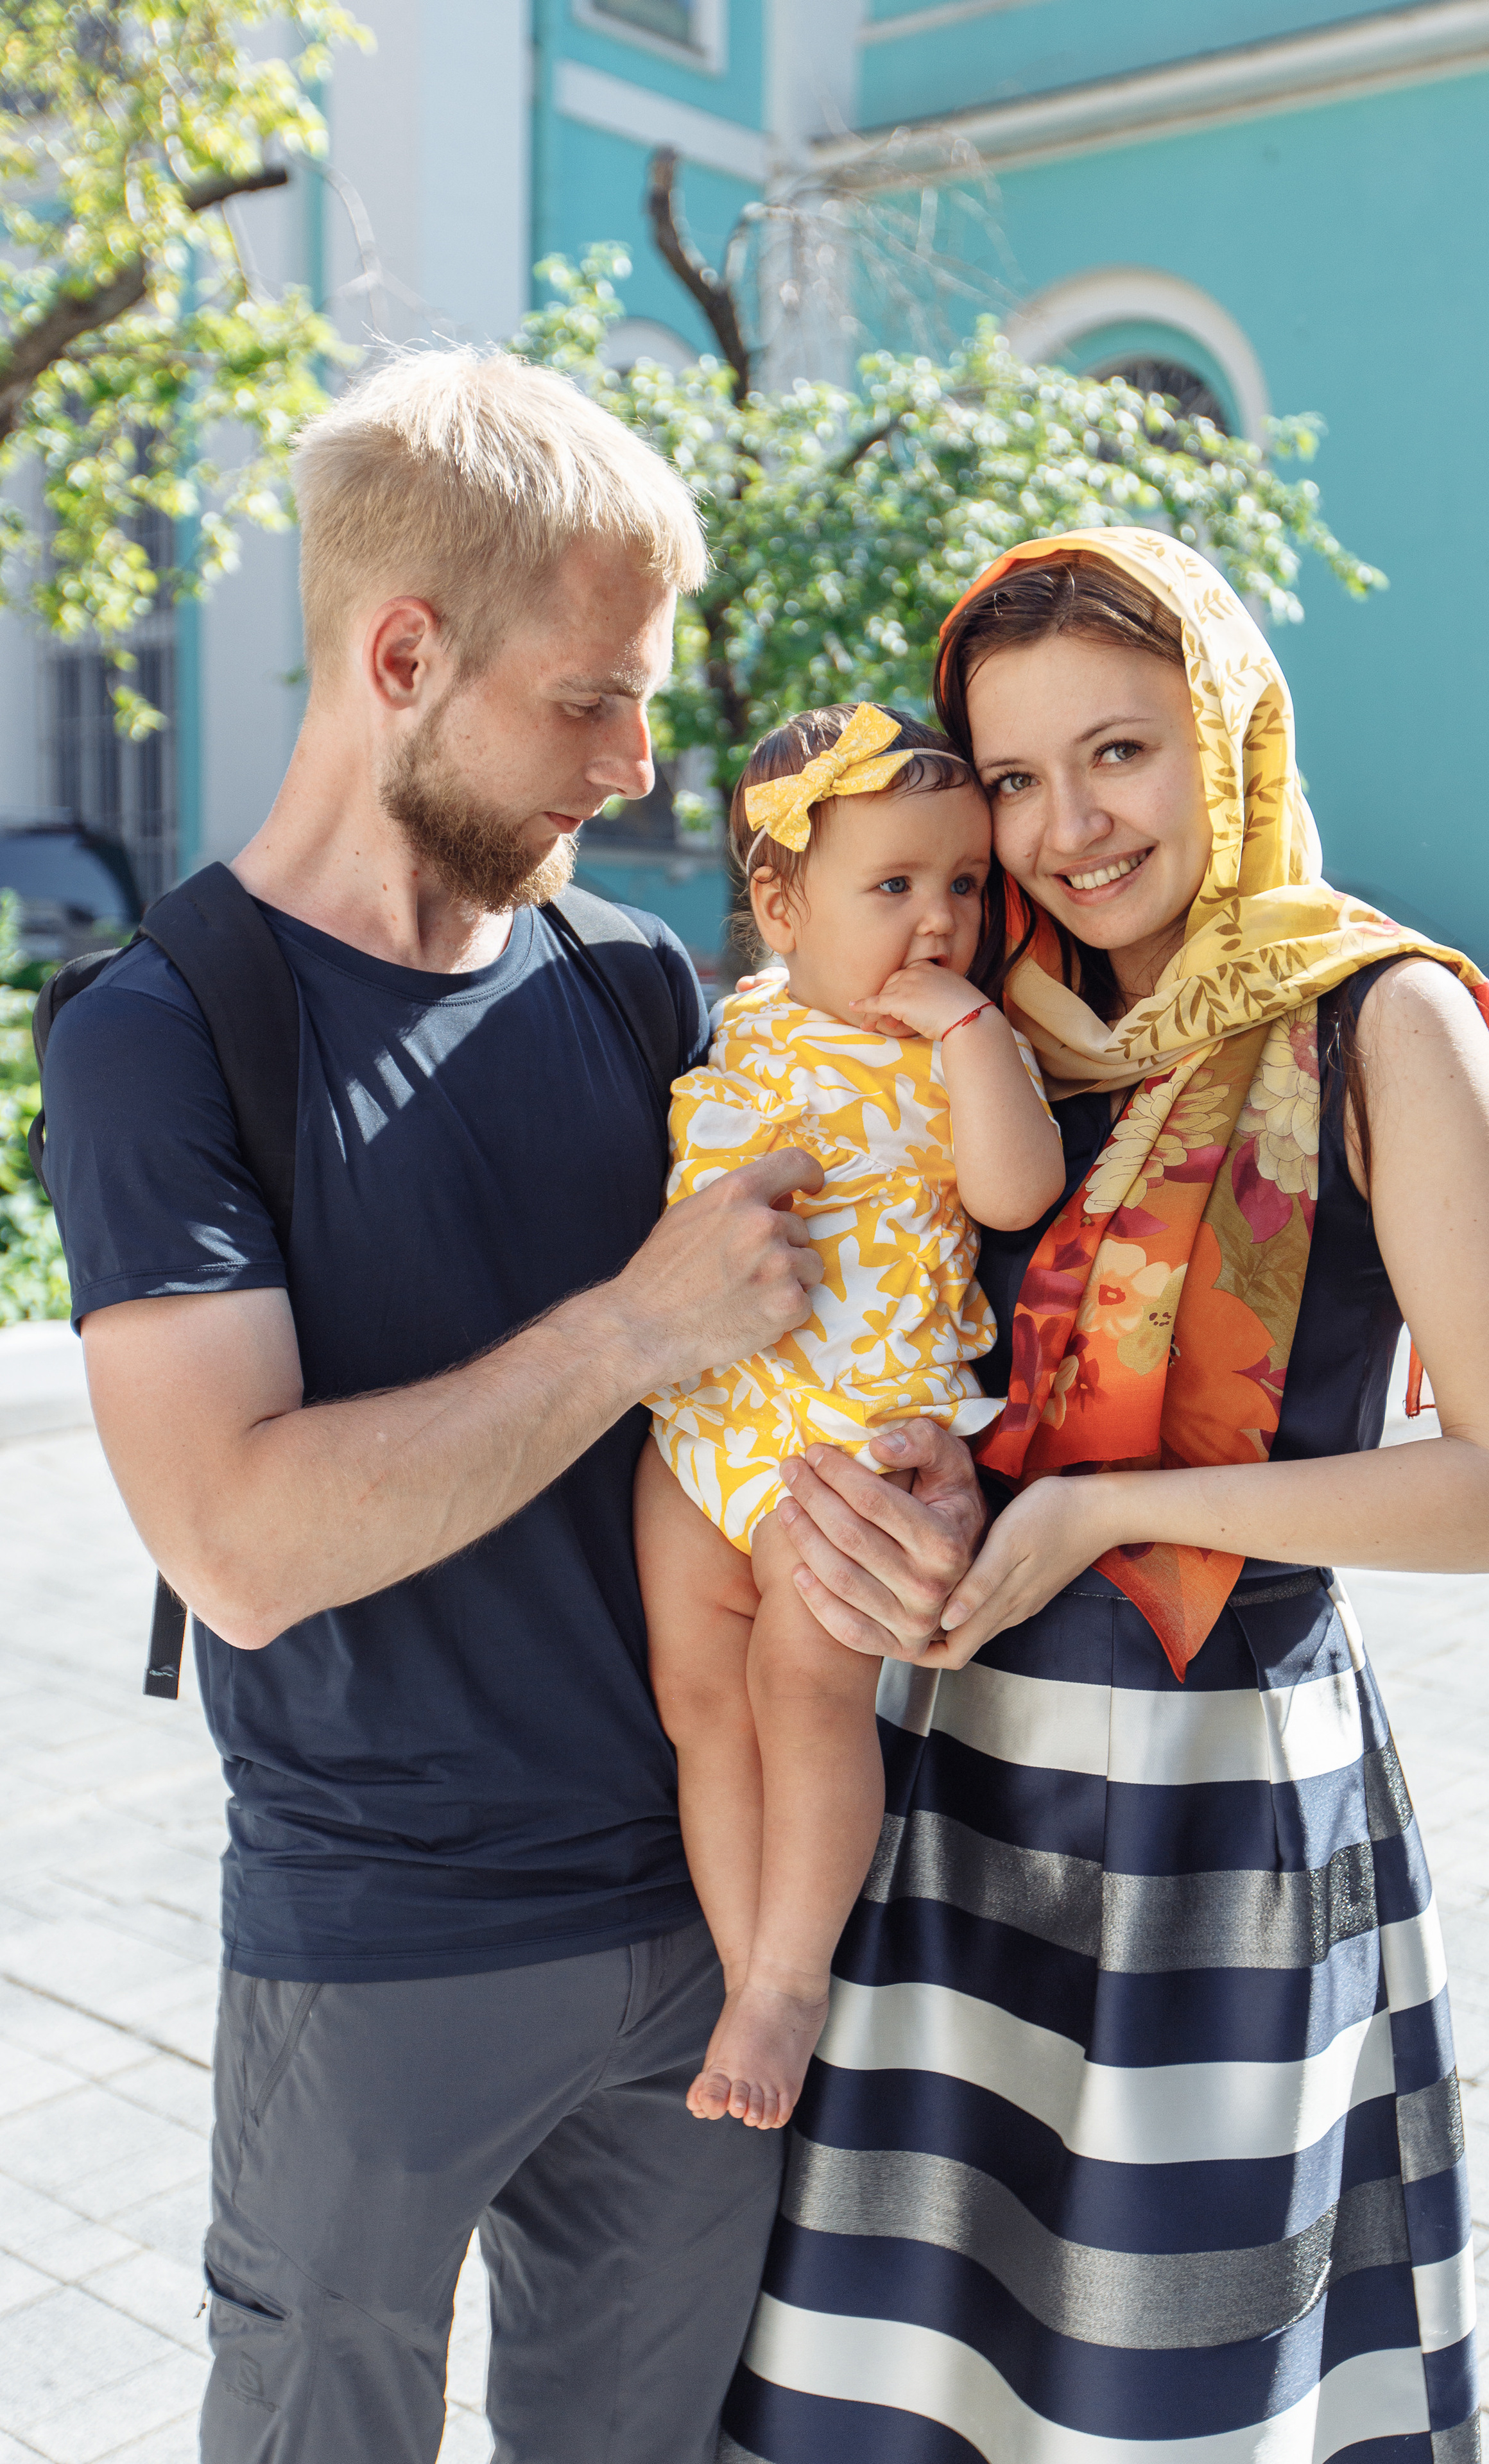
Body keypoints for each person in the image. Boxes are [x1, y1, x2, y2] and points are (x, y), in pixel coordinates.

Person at [35, 347, 970, 2464]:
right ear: (403, 657)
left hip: (705, 1928)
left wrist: (916, 1482)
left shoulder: (637, 987)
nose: (637, 767)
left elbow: (819, 1347)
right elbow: (239, 1548)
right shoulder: (165, 1034)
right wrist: (636, 1329)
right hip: (384, 1953)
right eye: (590, 701)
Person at [723, 531, 1489, 2461]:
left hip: (1211, 1808)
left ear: (1228, 735)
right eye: (1014, 778)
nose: (1065, 831)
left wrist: (1110, 1511)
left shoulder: (1379, 1020)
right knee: (911, 2379)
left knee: (1159, 2387)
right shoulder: (987, 1020)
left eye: (1119, 752)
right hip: (947, 1792)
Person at [639, 701, 1063, 2134]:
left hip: (846, 1446)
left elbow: (1015, 1192)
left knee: (802, 1688)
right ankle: (740, 1955)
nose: (940, 922)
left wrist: (969, 1032)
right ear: (781, 908)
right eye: (893, 886)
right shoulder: (747, 1015)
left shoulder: (962, 1051)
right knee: (699, 1698)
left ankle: (788, 1982)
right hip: (705, 1429)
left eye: (964, 885)